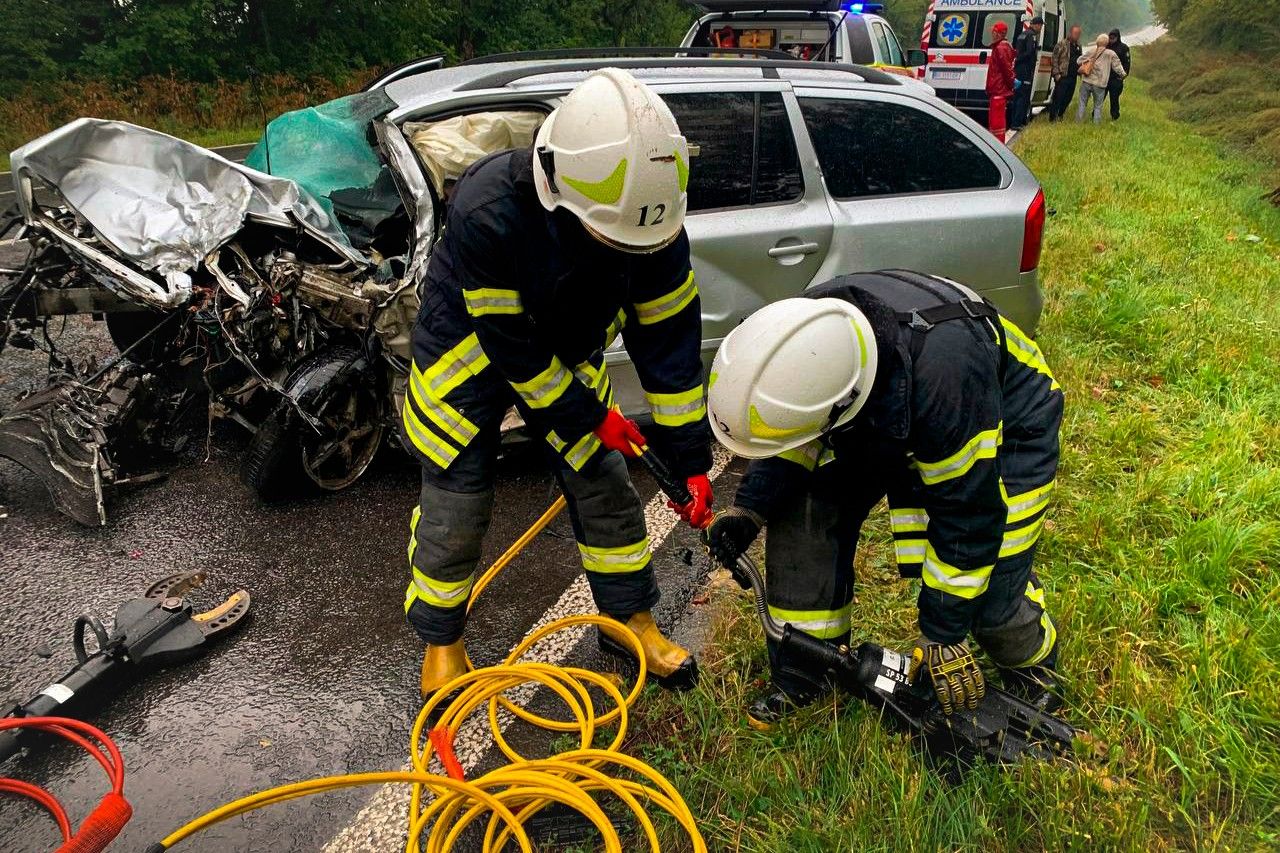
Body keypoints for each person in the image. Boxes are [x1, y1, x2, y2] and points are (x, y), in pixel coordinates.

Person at [404, 68, 714, 699]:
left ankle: (630, 623)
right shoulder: (490, 208)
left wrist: (689, 463)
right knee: (457, 502)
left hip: (566, 352)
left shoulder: (651, 229)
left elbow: (670, 349)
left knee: (604, 483)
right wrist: (585, 414)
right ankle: (444, 645)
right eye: (609, 239)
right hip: (467, 352)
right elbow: (510, 347)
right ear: (560, 189)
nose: (624, 254)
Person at [704, 271, 1064, 728]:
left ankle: (1033, 668)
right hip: (880, 409)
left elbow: (969, 517)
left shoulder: (948, 377)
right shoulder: (806, 340)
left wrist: (943, 634)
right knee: (802, 516)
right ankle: (808, 670)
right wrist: (750, 507)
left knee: (991, 583)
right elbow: (793, 434)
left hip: (1002, 420)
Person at [1077, 33, 1126, 123]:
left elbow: (1079, 60)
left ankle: (1078, 122)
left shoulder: (1092, 51)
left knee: (1082, 103)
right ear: (1107, 43)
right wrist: (1123, 75)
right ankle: (1096, 124)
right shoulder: (1110, 54)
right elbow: (1117, 67)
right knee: (1097, 105)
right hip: (1099, 83)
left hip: (1087, 81)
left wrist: (1088, 61)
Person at [1010, 15, 1044, 130]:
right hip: (1025, 69)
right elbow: (1030, 52)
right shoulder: (1032, 36)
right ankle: (1017, 122)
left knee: (1017, 95)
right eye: (1040, 26)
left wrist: (1018, 60)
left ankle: (1013, 121)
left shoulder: (1022, 34)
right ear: (1036, 25)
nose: (1040, 28)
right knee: (1023, 97)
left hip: (1019, 69)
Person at [985, 21, 1016, 141]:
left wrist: (1011, 84)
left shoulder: (1000, 48)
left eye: (994, 32)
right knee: (995, 123)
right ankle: (996, 145)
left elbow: (1006, 70)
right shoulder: (1001, 46)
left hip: (999, 90)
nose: (992, 34)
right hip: (999, 90)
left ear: (999, 33)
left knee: (996, 124)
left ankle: (998, 147)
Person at [1048, 25, 1083, 121]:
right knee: (1058, 97)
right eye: (1075, 33)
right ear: (1070, 33)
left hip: (1073, 76)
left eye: (1079, 34)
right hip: (1062, 75)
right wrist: (1056, 74)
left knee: (1068, 98)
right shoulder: (1061, 44)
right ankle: (1053, 117)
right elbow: (1054, 59)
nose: (1077, 36)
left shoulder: (1078, 46)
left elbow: (1080, 59)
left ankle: (1060, 114)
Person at [1107, 29, 1132, 120]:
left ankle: (1115, 115)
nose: (1111, 40)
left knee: (1114, 98)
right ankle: (1095, 114)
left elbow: (1127, 63)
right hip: (1105, 76)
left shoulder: (1123, 48)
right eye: (1110, 38)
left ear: (1117, 37)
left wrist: (1123, 76)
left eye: (1113, 38)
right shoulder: (1106, 46)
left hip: (1116, 78)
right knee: (1100, 97)